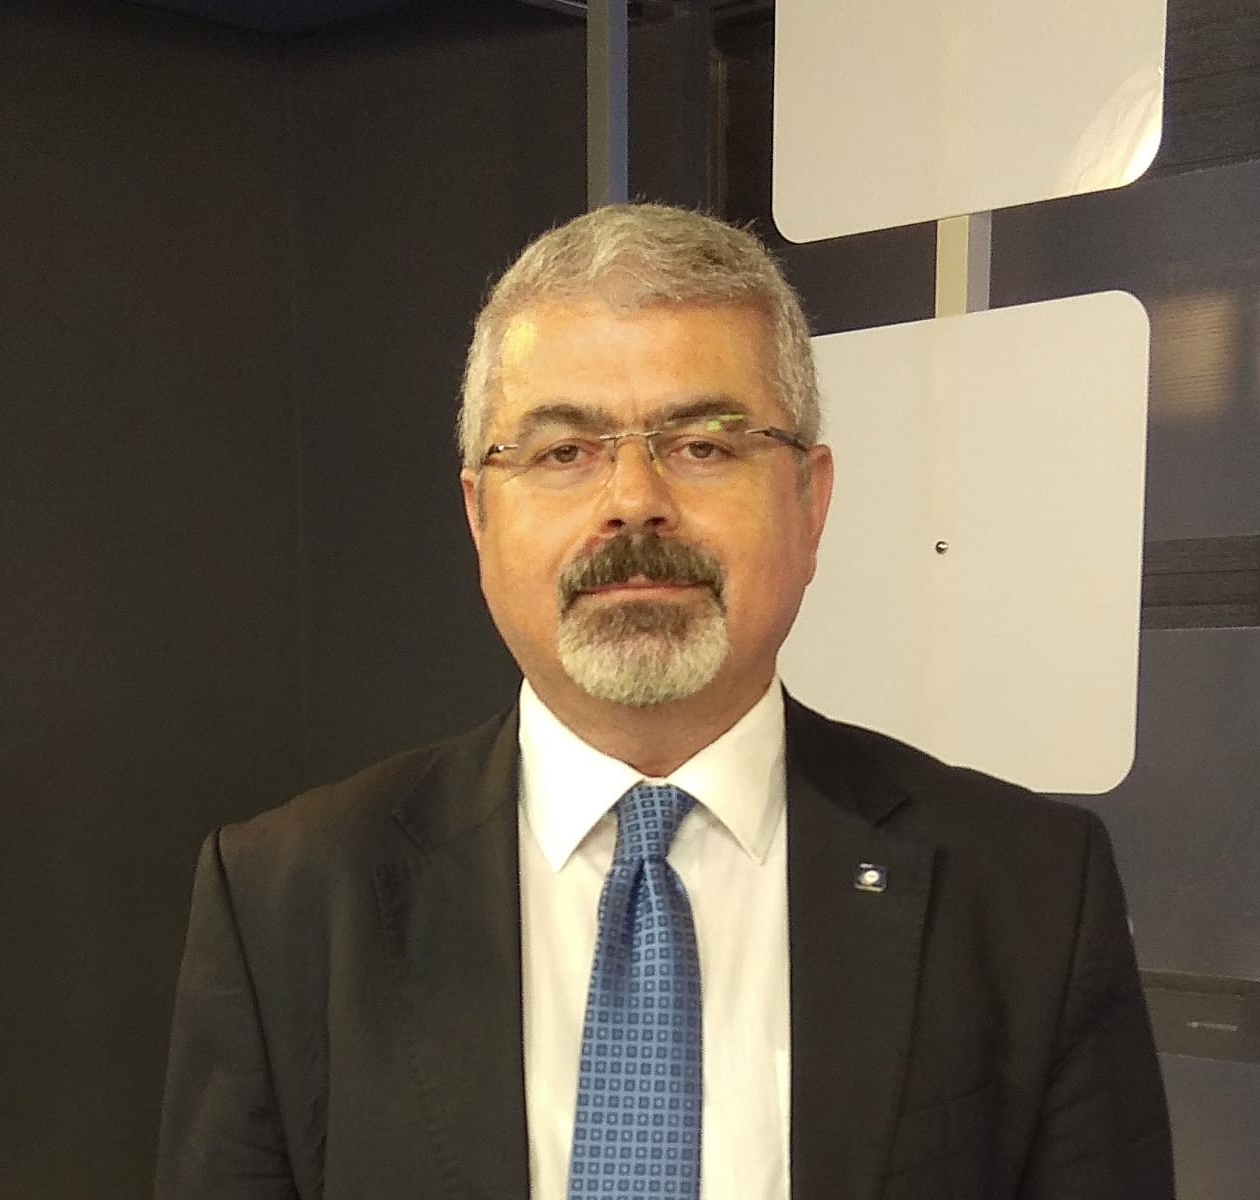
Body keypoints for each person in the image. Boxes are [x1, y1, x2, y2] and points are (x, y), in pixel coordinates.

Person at [154, 203, 1173, 1200]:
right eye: (564, 451)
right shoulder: (287, 899)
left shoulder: (1031, 895)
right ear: (478, 515)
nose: (633, 501)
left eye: (704, 445)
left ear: (810, 502)